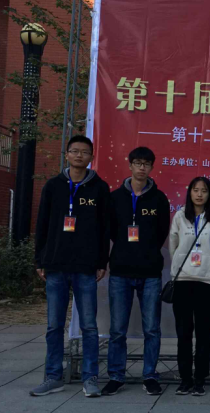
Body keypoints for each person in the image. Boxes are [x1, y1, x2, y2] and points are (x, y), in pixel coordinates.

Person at [31, 135, 110, 397]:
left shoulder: (99, 188)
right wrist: (39, 259)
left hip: (86, 266)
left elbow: (104, 229)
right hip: (55, 265)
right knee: (54, 326)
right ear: (66, 154)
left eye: (84, 152)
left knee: (89, 326)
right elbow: (42, 224)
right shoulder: (53, 186)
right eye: (74, 151)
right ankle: (53, 377)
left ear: (91, 157)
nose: (79, 155)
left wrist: (101, 261)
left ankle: (90, 378)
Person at [102, 147, 170, 396]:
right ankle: (116, 376)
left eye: (147, 164)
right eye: (138, 163)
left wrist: (146, 251)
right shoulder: (115, 197)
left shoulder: (159, 199)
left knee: (151, 329)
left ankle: (150, 375)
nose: (142, 168)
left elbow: (162, 232)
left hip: (150, 272)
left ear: (152, 167)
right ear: (130, 165)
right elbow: (110, 230)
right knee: (117, 330)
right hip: (120, 271)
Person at [169, 177, 210, 396]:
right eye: (195, 190)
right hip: (183, 280)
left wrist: (208, 266)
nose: (199, 194)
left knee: (203, 333)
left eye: (204, 190)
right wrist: (181, 266)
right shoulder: (180, 216)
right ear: (189, 193)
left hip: (206, 282)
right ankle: (185, 378)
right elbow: (173, 245)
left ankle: (200, 378)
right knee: (183, 333)